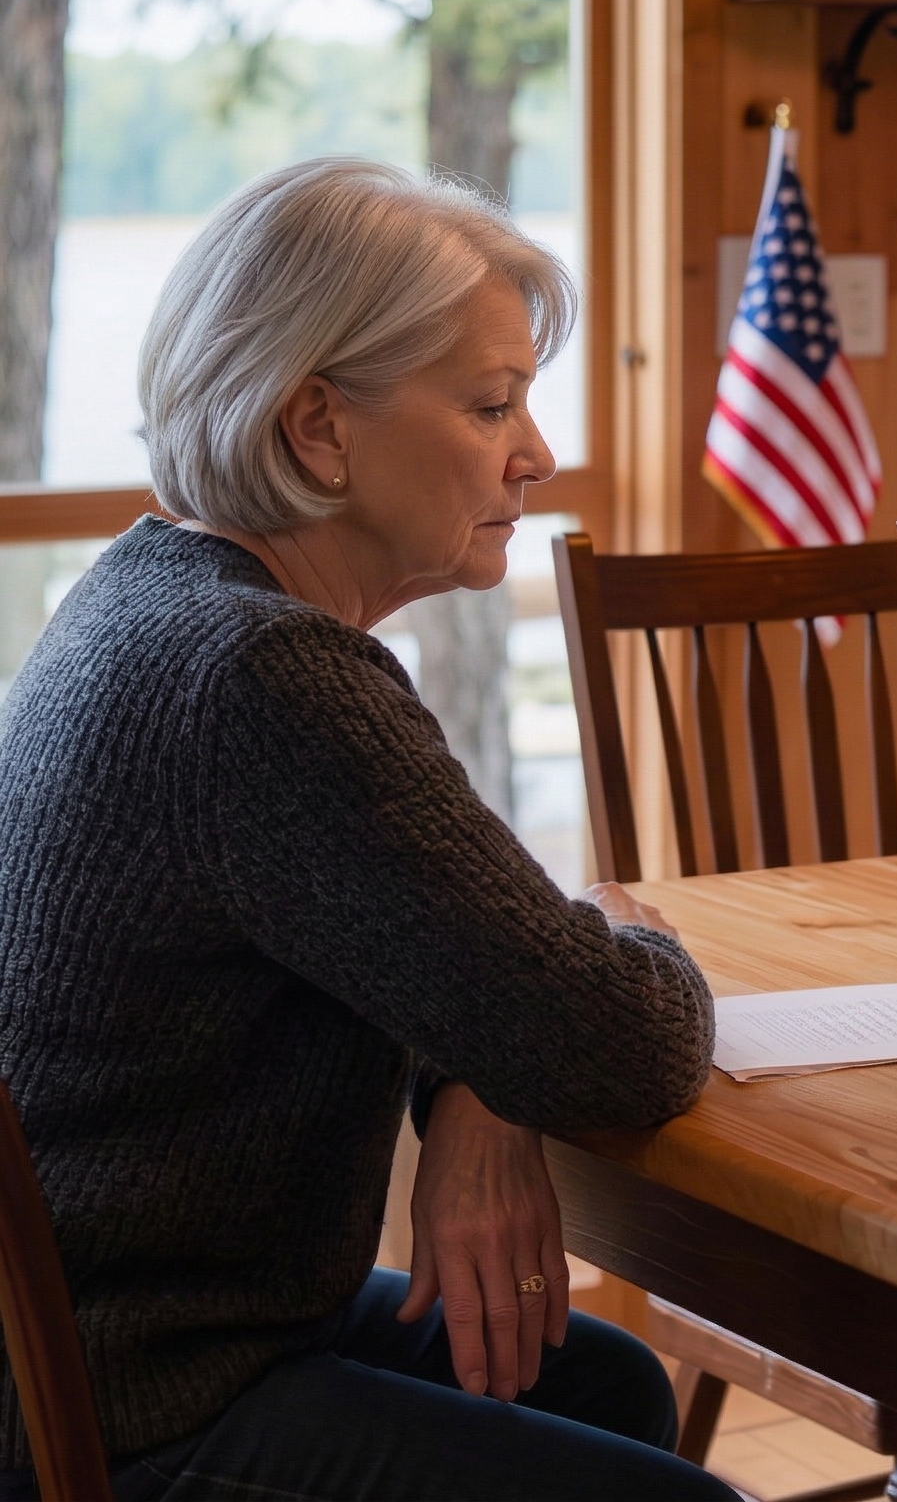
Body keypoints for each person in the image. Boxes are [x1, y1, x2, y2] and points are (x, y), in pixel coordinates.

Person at [0, 160, 736, 1501]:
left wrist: (474, 1085)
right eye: (491, 403)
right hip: (118, 1415)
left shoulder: (145, 593)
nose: (538, 453)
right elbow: (615, 1041)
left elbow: (435, 951)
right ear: (318, 430)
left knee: (609, 1381)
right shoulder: (263, 678)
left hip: (107, 1339)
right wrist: (635, 935)